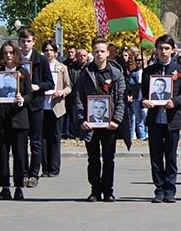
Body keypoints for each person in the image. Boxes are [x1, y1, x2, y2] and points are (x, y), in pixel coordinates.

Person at [74, 37, 127, 202]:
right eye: (96, 51)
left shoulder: (116, 73)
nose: (99, 54)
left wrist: (116, 120)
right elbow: (78, 97)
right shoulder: (85, 72)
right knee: (93, 158)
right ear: (92, 52)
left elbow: (121, 98)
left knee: (109, 158)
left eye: (102, 51)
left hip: (109, 124)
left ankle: (108, 190)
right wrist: (82, 118)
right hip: (90, 123)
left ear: (107, 52)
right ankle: (95, 190)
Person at [140, 34, 181, 203]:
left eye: (167, 48)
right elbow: (143, 95)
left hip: (172, 120)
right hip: (154, 120)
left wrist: (174, 102)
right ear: (156, 50)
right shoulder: (148, 72)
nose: (163, 51)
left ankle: (170, 189)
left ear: (173, 50)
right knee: (155, 156)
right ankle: (159, 189)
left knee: (170, 156)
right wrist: (144, 102)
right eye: (160, 48)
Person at [0, 41, 32, 200]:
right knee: (2, 155)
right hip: (1, 121)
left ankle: (19, 187)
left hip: (19, 120)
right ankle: (4, 187)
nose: (8, 56)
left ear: (16, 54)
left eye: (11, 53)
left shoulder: (23, 73)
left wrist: (22, 99)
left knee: (20, 156)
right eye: (5, 53)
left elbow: (29, 95)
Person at [17, 28, 54, 189]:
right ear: (19, 42)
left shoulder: (41, 59)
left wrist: (37, 86)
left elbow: (50, 83)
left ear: (34, 42)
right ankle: (23, 173)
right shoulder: (15, 59)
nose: (26, 44)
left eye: (28, 41)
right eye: (23, 41)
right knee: (21, 142)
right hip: (19, 106)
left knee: (36, 141)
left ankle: (34, 173)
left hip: (36, 105)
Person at [41, 41, 72, 178]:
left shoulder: (62, 68)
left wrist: (61, 92)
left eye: (51, 50)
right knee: (42, 138)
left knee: (55, 138)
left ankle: (54, 167)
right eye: (46, 50)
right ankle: (45, 167)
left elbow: (69, 86)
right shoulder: (40, 67)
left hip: (57, 107)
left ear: (56, 52)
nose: (49, 53)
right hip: (42, 106)